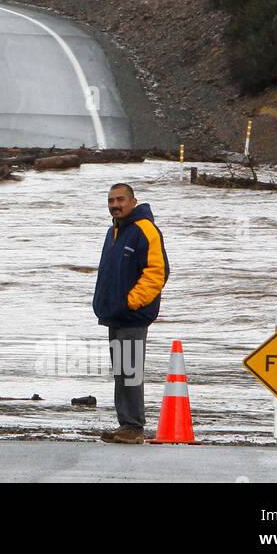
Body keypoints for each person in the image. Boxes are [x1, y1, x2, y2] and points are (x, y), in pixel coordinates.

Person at [92, 182, 168, 444]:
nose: (115, 205)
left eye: (121, 199)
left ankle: (134, 427)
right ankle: (126, 424)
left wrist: (130, 302)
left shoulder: (145, 230)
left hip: (132, 315)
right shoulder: (113, 231)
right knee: (122, 371)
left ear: (133, 202)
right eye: (111, 200)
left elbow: (157, 273)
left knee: (130, 370)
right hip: (116, 314)